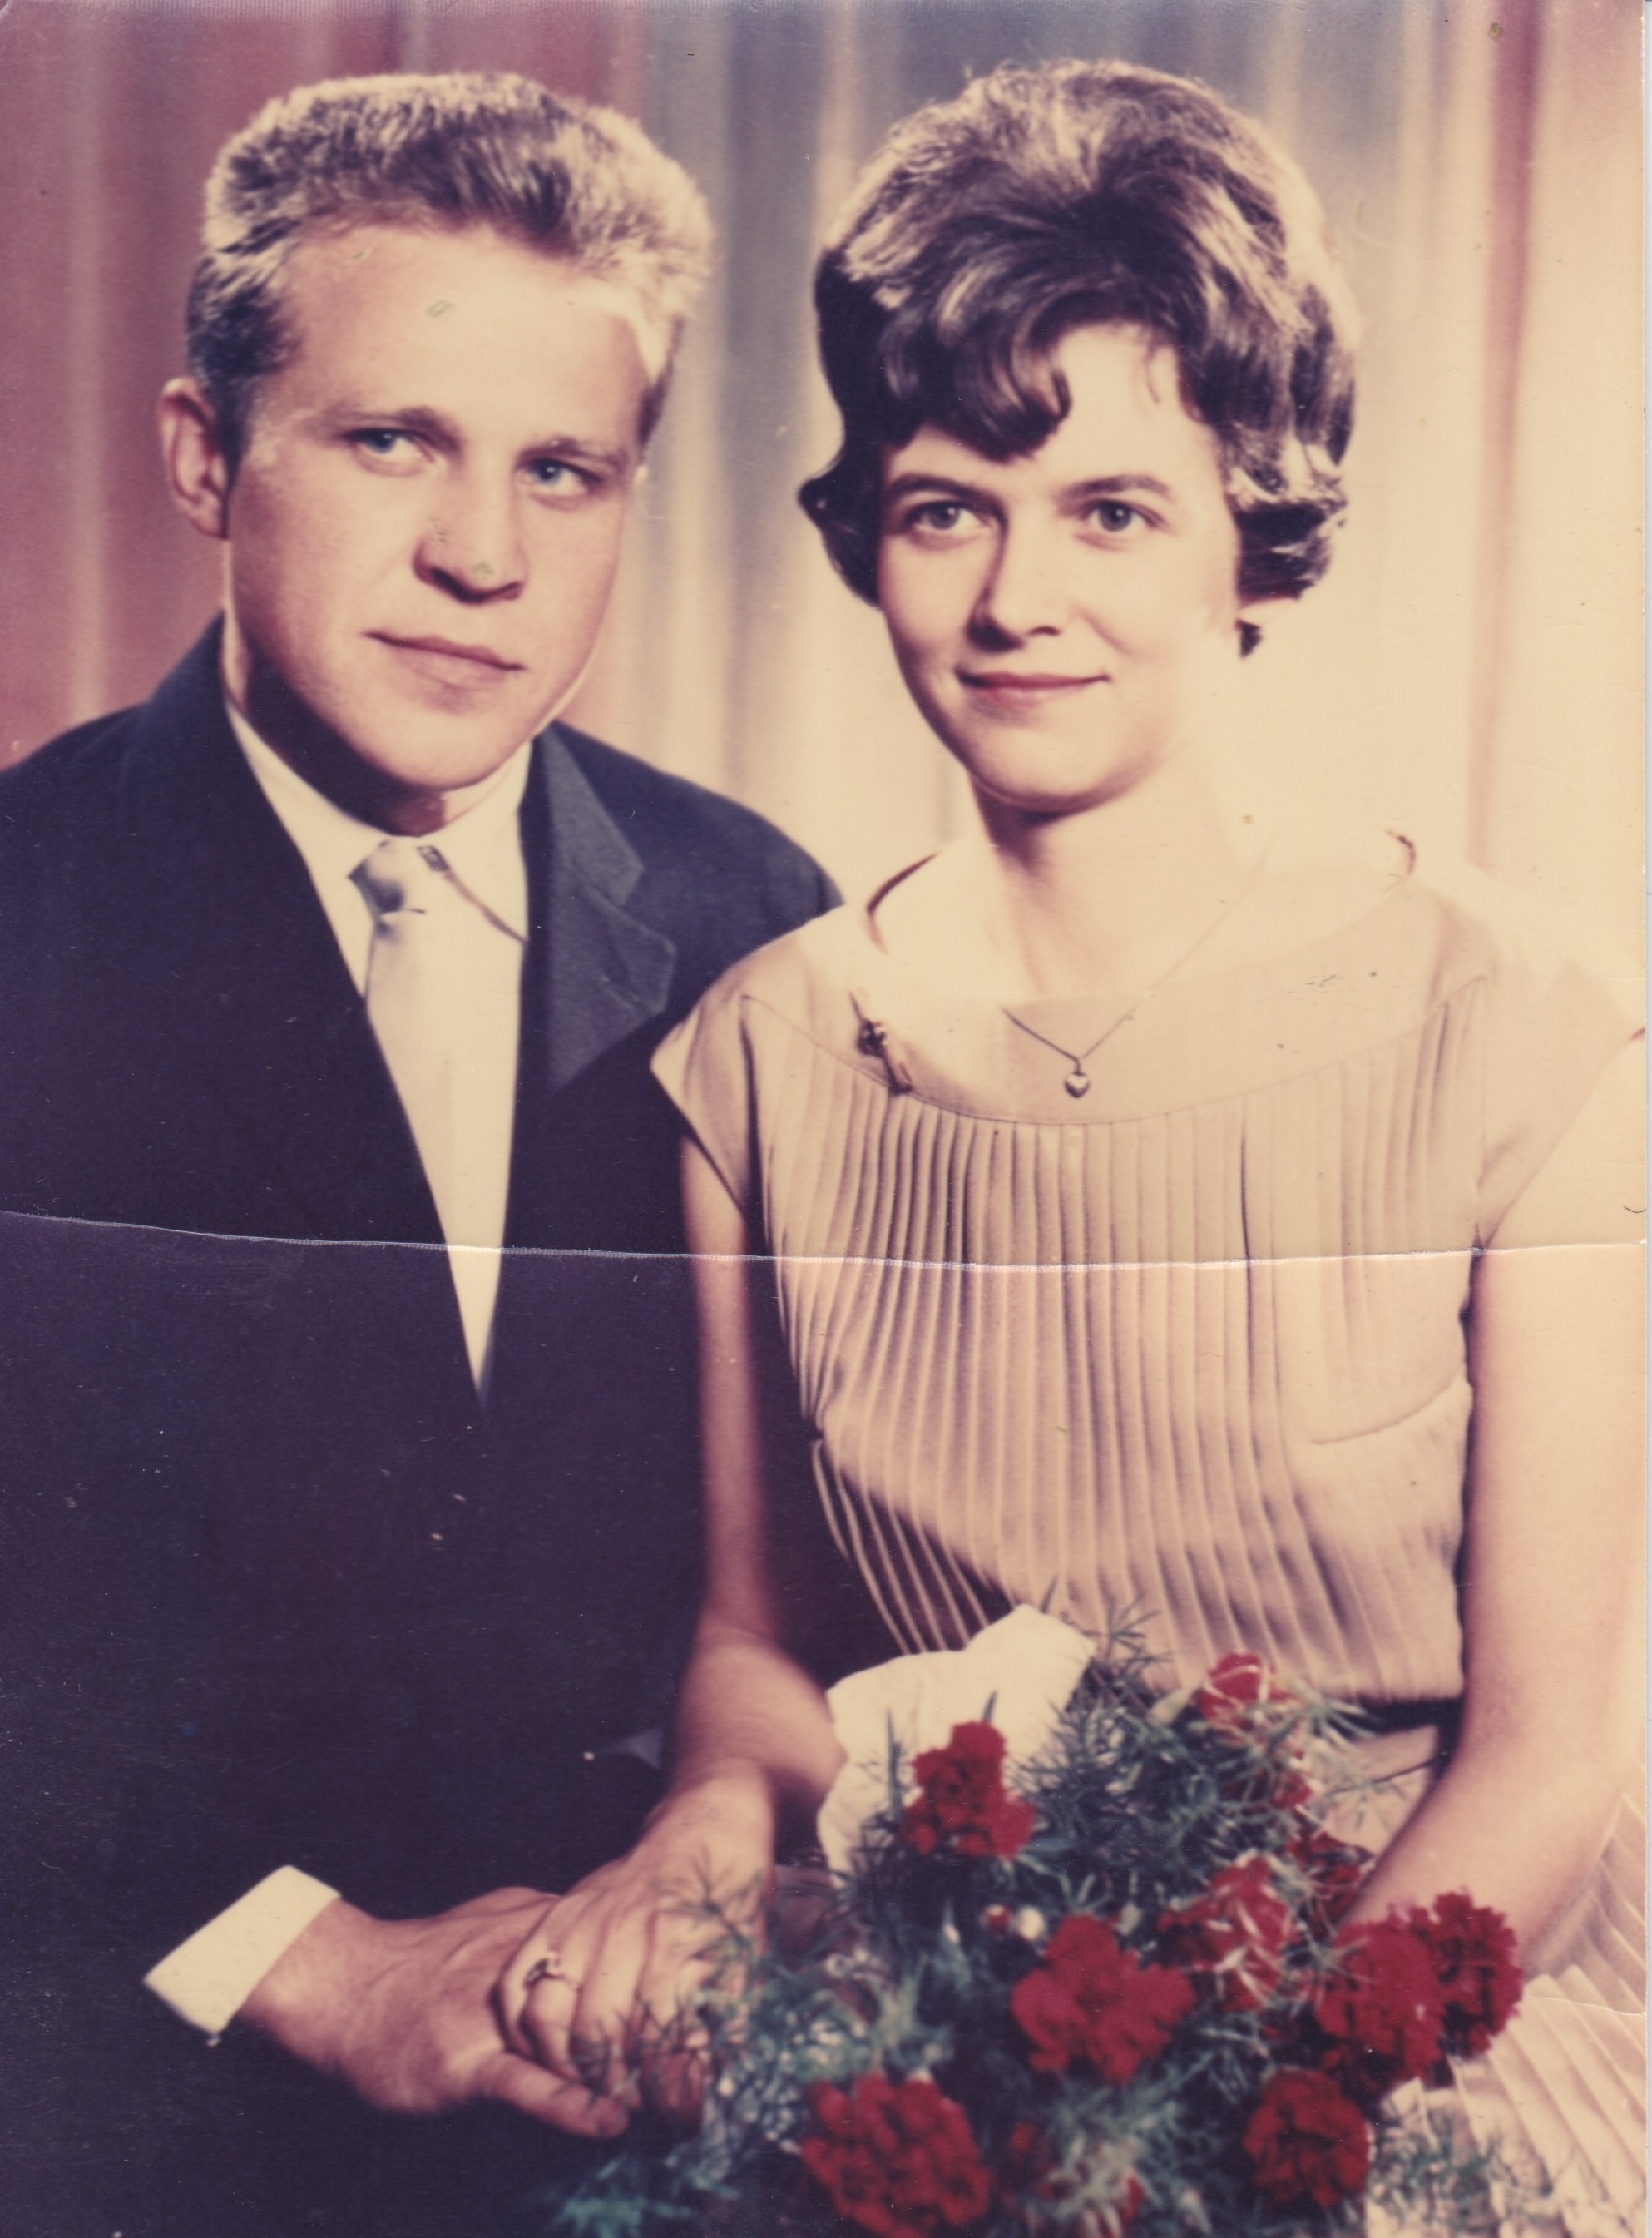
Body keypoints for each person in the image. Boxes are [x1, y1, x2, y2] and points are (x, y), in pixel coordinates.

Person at [502, 59, 1646, 2224]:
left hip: (1416, 2030)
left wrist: (1227, 2124)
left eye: (1111, 508)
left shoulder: (1527, 1029)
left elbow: (1548, 1753)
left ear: (1253, 527)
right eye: (949, 508)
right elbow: (756, 1646)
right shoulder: (761, 1053)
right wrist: (700, 1831)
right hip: (937, 2026)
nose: (1017, 595)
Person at [0, 70, 835, 2238]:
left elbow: (816, 1560)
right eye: (396, 442)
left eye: (564, 470)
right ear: (205, 456)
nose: (486, 556)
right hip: (134, 2101)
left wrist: (705, 1862)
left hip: (661, 2091)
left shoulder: (753, 920)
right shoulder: (22, 909)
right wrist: (315, 1966)